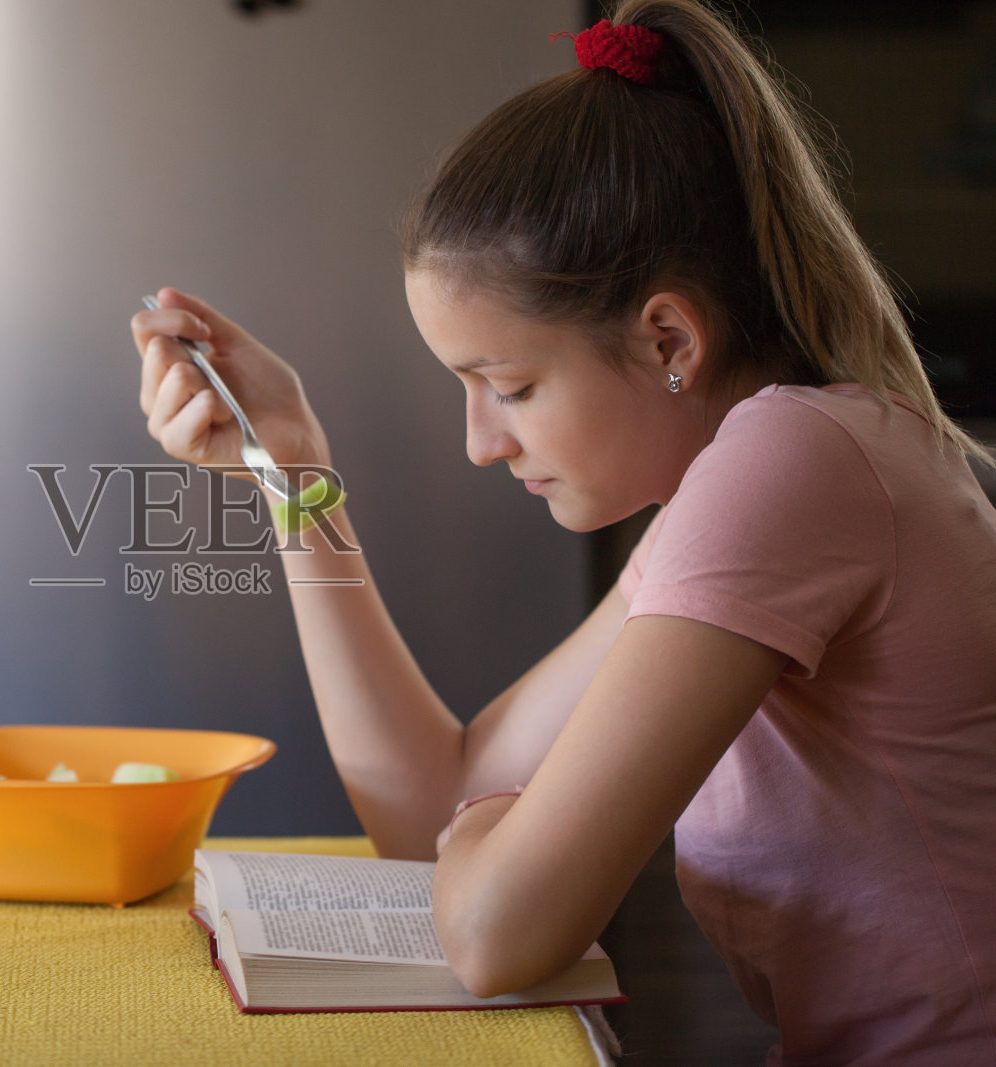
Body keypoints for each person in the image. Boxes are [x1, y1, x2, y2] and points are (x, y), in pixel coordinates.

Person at [130, 1, 996, 1062]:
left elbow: (498, 931)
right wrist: (292, 473)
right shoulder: (755, 479)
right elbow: (433, 805)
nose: (479, 443)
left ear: (668, 337)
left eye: (511, 385)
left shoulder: (790, 465)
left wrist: (489, 842)